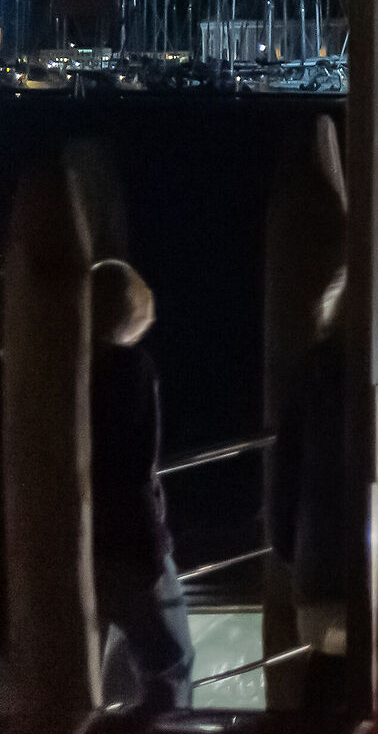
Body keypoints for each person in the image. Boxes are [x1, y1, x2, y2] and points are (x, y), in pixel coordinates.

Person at [89, 259, 193, 712]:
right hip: (124, 536)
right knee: (172, 656)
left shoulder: (60, 367)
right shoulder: (131, 368)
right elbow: (136, 464)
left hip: (71, 538)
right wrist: (153, 541)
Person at [269, 270, 348, 708]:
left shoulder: (312, 370)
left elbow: (286, 468)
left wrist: (288, 547)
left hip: (318, 565)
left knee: (329, 673)